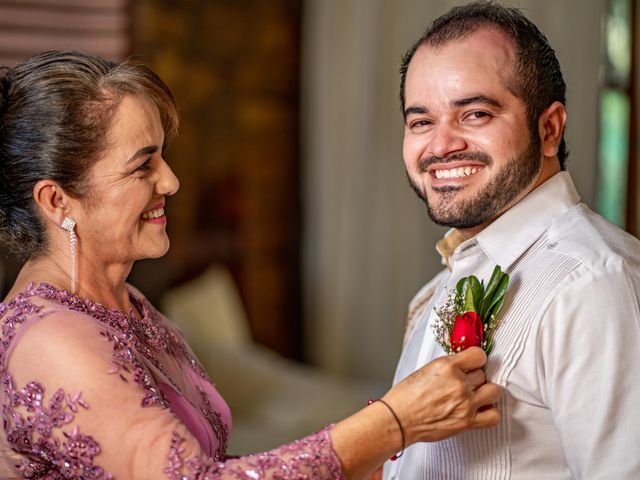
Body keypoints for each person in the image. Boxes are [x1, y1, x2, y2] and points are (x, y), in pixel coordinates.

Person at [0, 50, 501, 479]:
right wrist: (392, 422)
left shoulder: (126, 303)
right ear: (57, 200)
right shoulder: (51, 339)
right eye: (142, 165)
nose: (171, 182)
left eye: (163, 157)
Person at [384, 2, 640, 479]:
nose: (439, 146)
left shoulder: (593, 285)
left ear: (548, 128)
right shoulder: (439, 288)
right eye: (421, 121)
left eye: (475, 114)